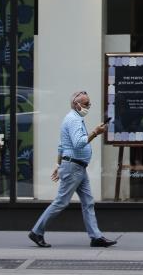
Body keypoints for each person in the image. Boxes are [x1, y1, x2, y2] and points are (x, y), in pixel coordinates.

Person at [28, 91, 116, 248]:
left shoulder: (73, 118)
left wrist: (58, 165)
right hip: (74, 167)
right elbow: (78, 143)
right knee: (61, 201)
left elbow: (62, 145)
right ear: (77, 104)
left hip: (77, 167)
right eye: (86, 103)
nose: (89, 106)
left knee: (88, 201)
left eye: (89, 103)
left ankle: (96, 236)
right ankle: (37, 231)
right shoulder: (74, 120)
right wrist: (96, 132)